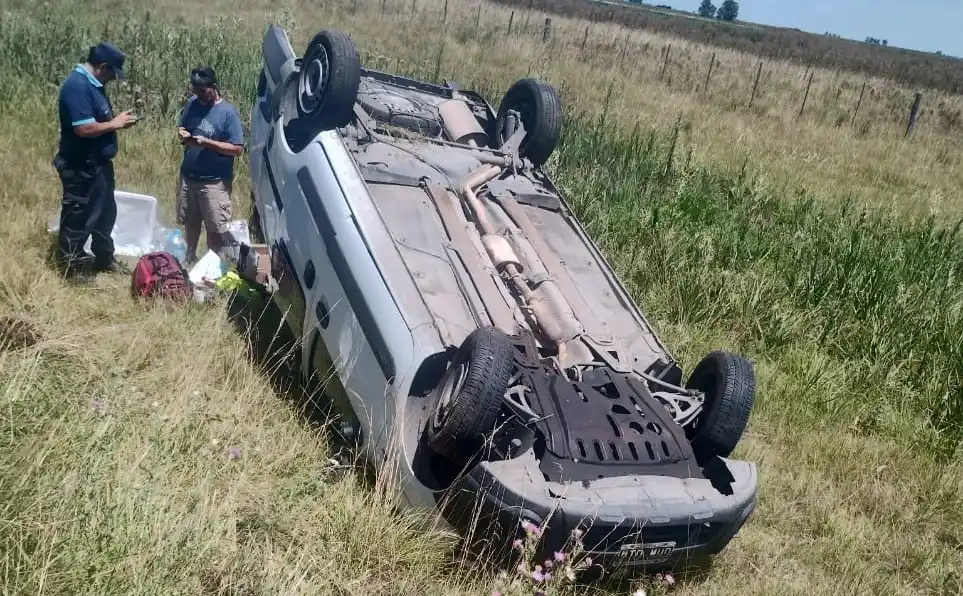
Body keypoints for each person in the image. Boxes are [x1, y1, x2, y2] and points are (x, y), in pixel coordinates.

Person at [54, 42, 137, 277]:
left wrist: (116, 122)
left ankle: (103, 258)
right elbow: (83, 129)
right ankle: (70, 268)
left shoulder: (94, 85)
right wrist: (114, 124)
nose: (113, 78)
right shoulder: (77, 86)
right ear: (102, 67)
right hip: (81, 166)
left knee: (104, 214)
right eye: (112, 73)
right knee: (79, 216)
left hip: (98, 164)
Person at [176, 66, 245, 265]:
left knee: (214, 227)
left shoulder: (228, 113)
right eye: (195, 91)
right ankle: (189, 258)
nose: (199, 95)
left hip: (214, 182)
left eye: (203, 91)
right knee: (190, 221)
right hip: (189, 177)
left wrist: (207, 143)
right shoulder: (192, 104)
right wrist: (183, 133)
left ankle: (210, 267)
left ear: (213, 87)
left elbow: (237, 148)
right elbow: (184, 125)